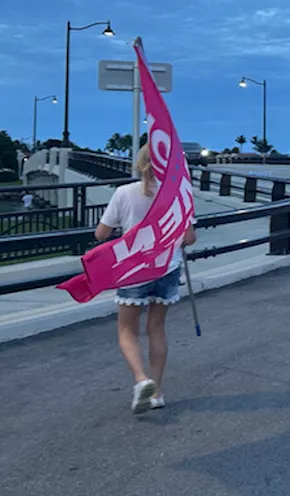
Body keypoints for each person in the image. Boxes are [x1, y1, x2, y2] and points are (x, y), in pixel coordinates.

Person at [94, 144, 196, 414]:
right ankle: (157, 392)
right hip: (167, 267)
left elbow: (101, 234)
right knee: (156, 328)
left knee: (127, 329)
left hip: (133, 268)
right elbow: (188, 238)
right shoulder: (177, 196)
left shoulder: (124, 193)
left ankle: (141, 379)